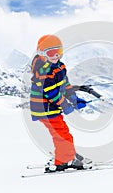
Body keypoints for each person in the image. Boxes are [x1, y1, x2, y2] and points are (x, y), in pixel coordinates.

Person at [30, 34, 89, 172]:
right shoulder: (44, 72)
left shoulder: (59, 66)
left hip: (51, 108)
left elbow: (64, 84)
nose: (56, 55)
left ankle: (67, 154)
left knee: (62, 132)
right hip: (45, 108)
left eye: (59, 52)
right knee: (62, 134)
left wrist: (73, 98)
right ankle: (64, 160)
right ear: (41, 54)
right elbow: (51, 93)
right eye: (51, 52)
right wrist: (65, 105)